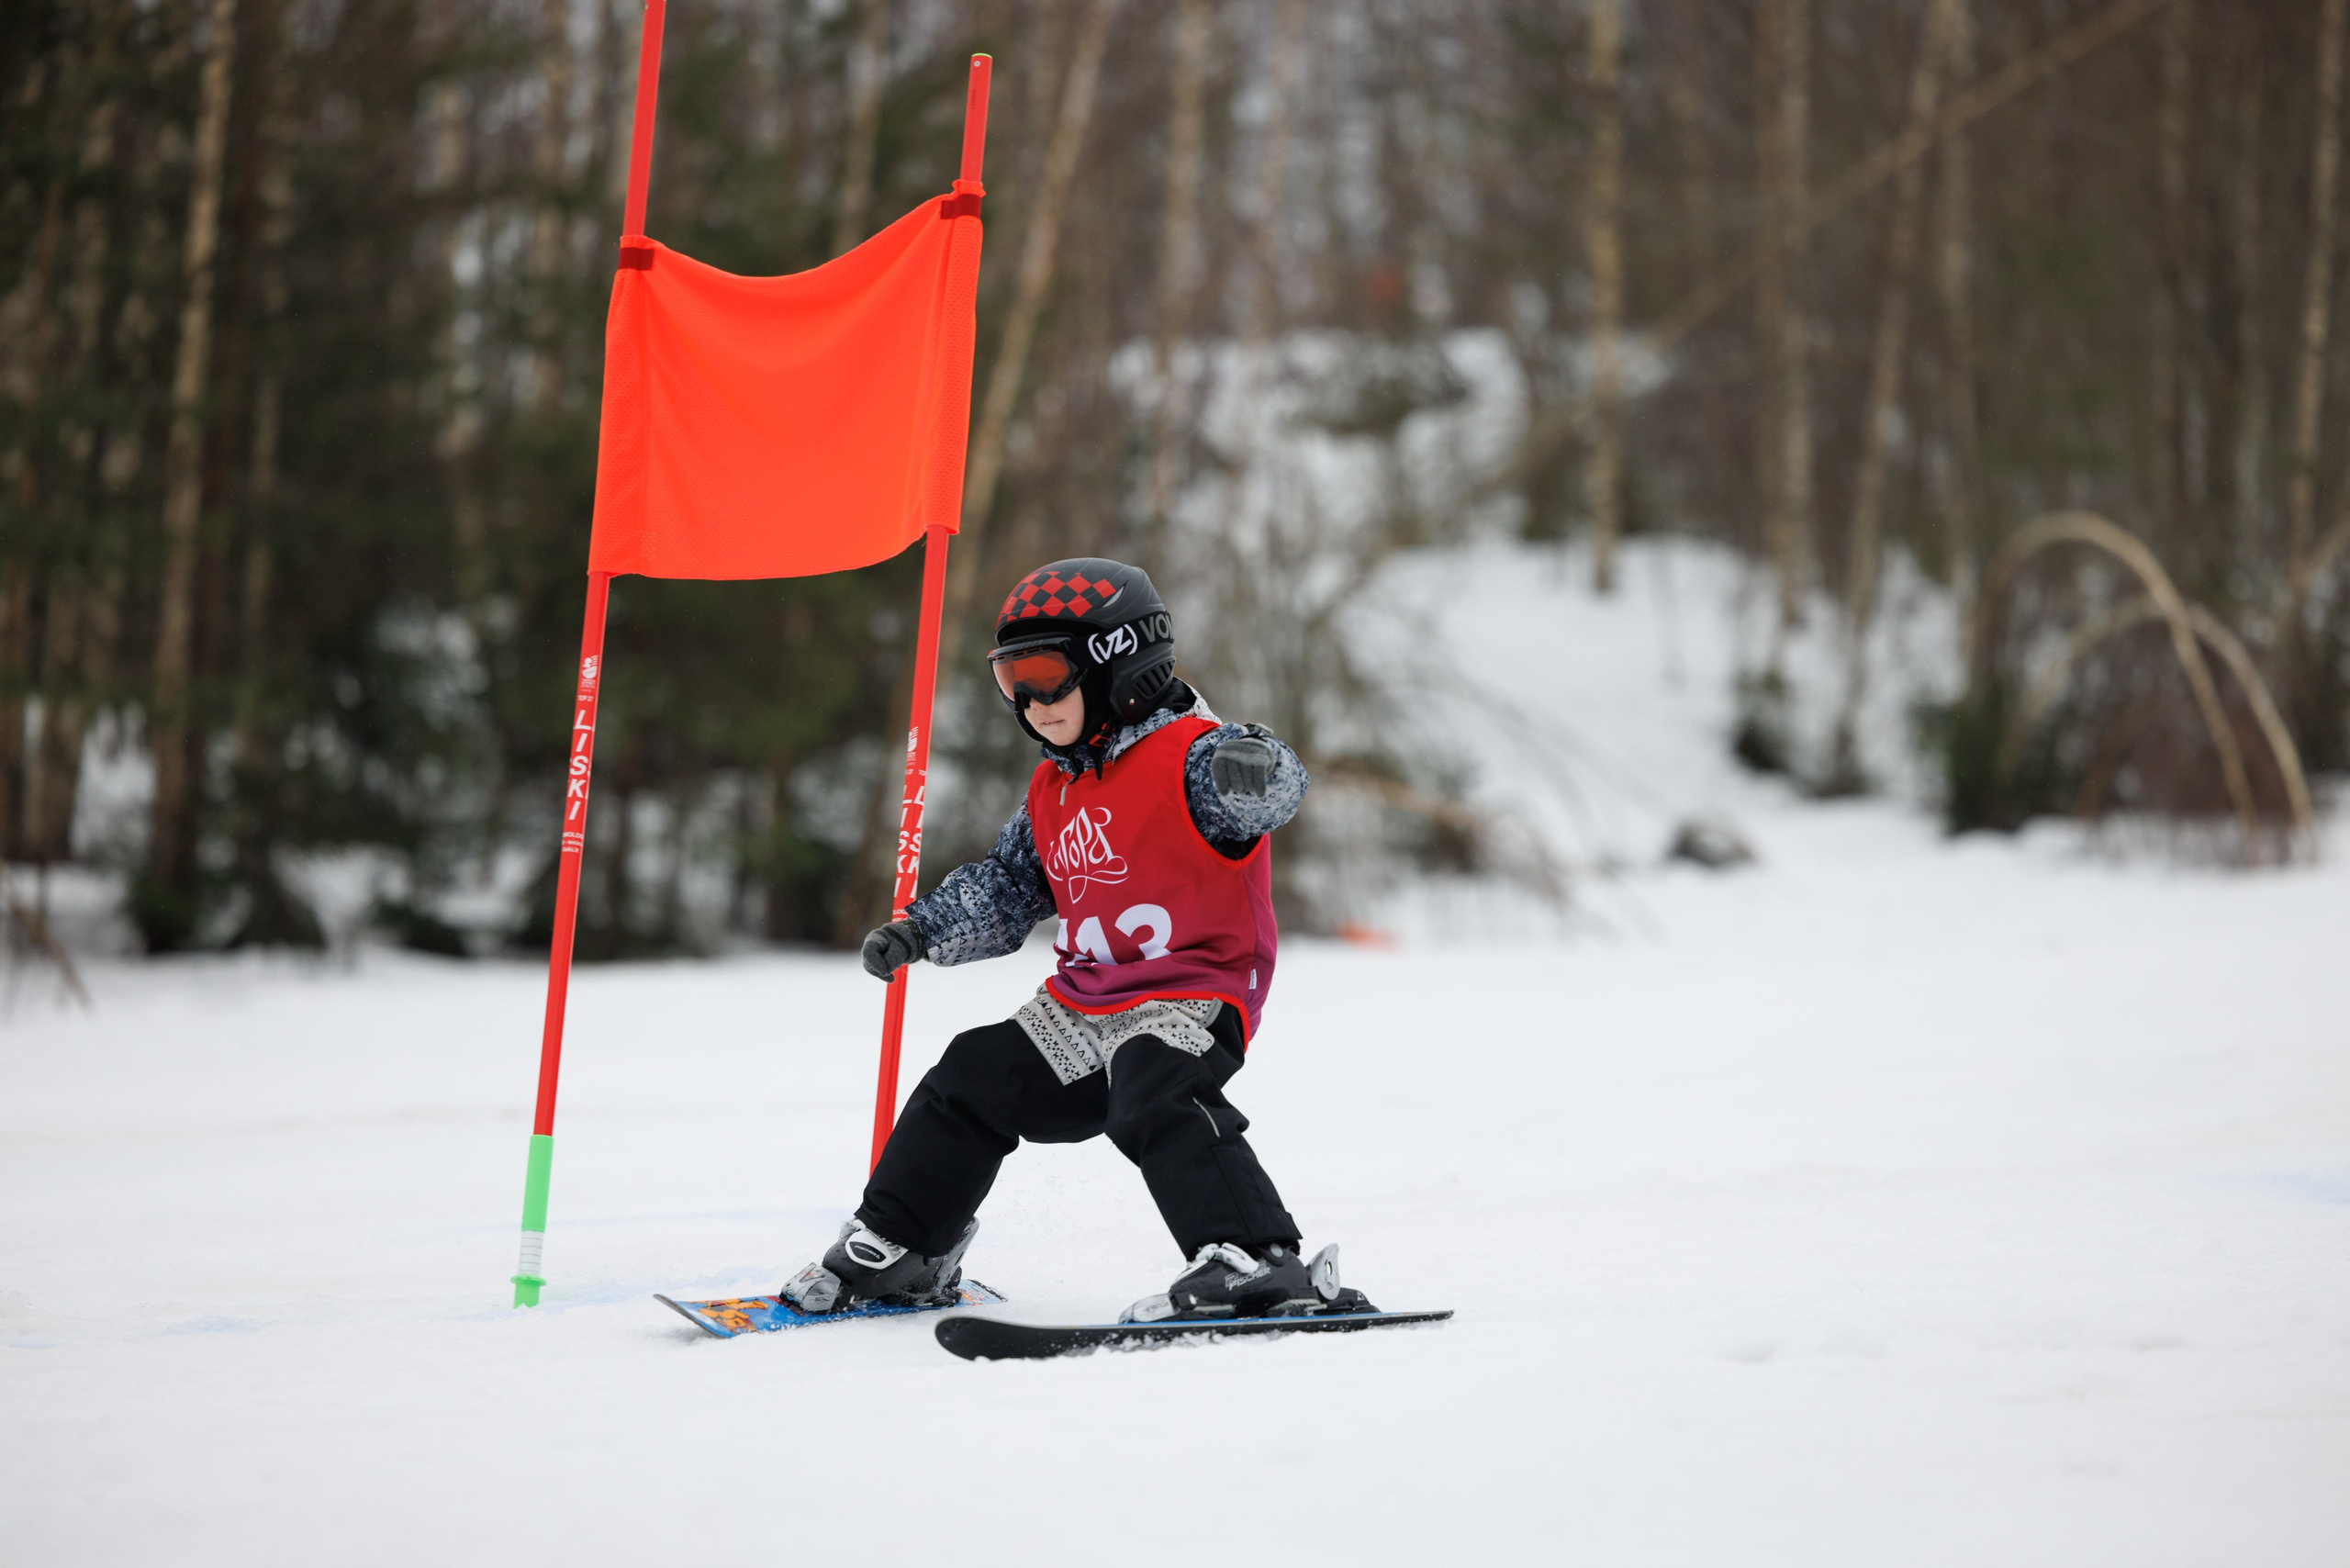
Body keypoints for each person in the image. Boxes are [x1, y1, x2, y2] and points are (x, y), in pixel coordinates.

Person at [780, 557, 1341, 1323]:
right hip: (1081, 1009)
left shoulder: (1195, 756)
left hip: (1190, 997)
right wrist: (924, 930)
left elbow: (1267, 791)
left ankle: (1256, 1259)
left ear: (1122, 666)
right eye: (1011, 682)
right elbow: (1011, 886)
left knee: (1155, 1089)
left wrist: (1260, 769)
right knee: (970, 1076)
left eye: (1046, 675)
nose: (1031, 704)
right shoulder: (1056, 787)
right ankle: (906, 1245)